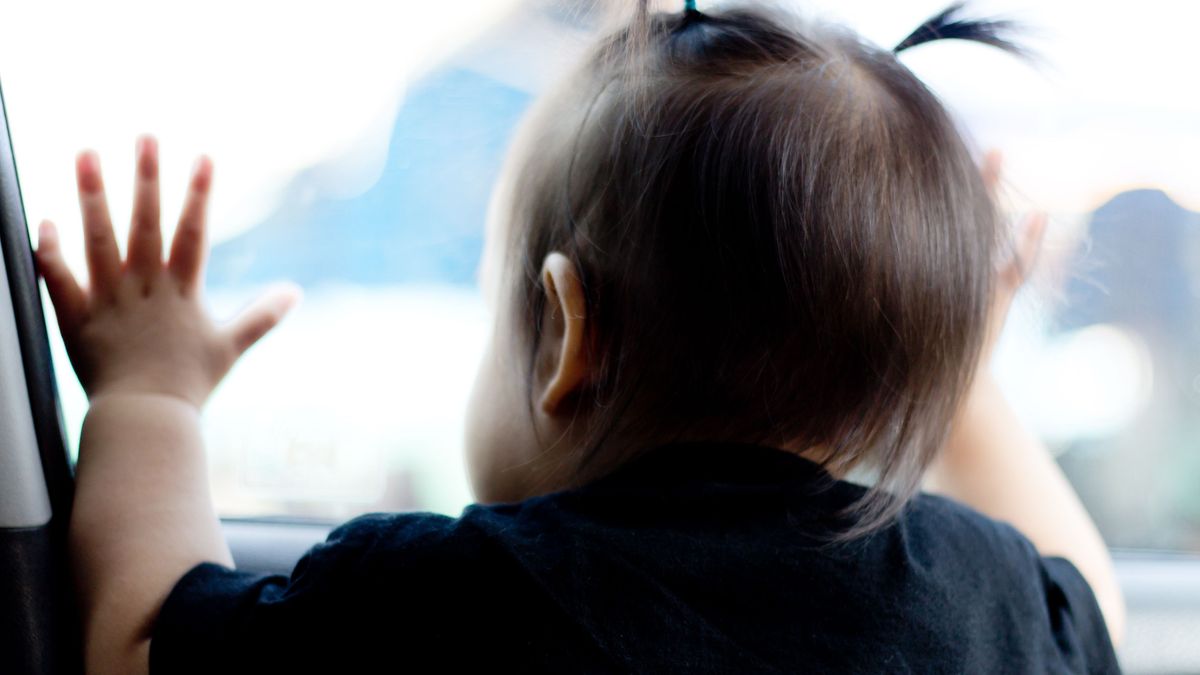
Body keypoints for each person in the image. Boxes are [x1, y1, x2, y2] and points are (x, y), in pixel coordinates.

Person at [35, 2, 1124, 673]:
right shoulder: (985, 600)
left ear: (566, 336)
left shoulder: (451, 602)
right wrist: (968, 381)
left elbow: (138, 649)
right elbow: (1091, 608)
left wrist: (150, 401)